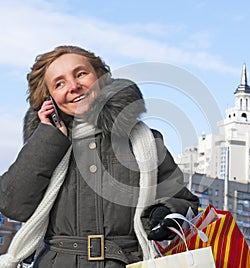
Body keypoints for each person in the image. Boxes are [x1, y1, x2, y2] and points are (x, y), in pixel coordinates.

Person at [0, 45, 199, 268]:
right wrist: (48, 137)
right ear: (49, 99)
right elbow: (12, 205)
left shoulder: (145, 141)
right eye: (60, 83)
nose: (74, 86)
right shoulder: (46, 144)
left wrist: (167, 212)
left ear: (101, 78)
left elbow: (184, 201)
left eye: (81, 74)